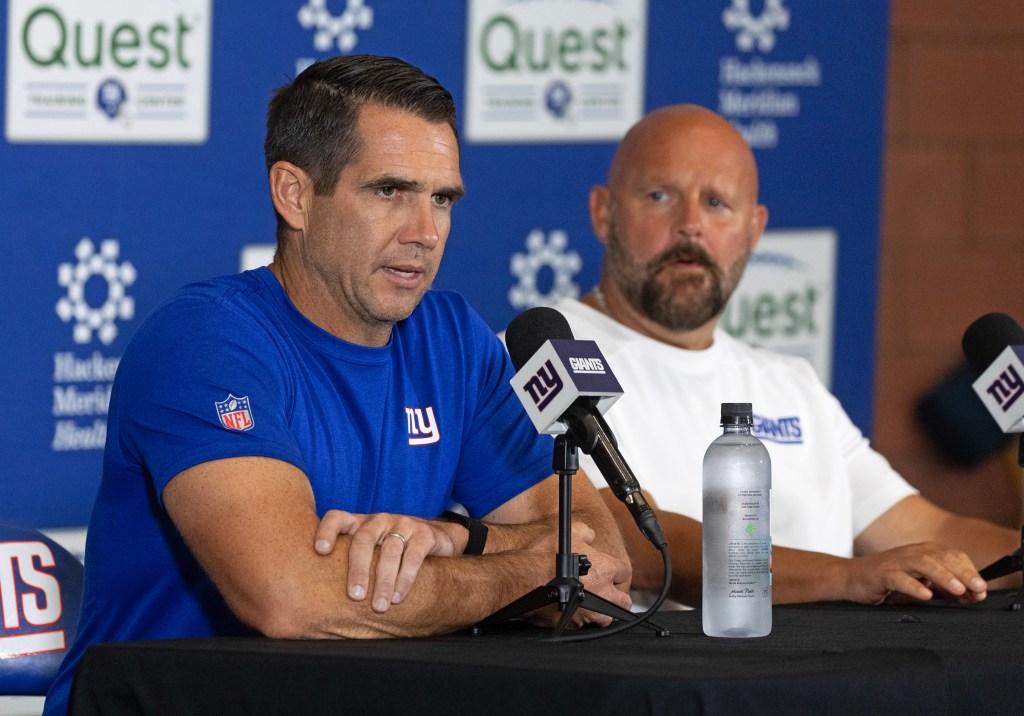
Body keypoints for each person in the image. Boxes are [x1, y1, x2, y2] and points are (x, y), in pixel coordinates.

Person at [44, 55, 630, 715]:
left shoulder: (453, 341)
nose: (425, 232)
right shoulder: (204, 343)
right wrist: (533, 571)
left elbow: (603, 562)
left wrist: (457, 538)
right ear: (294, 194)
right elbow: (295, 600)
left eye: (442, 199)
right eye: (389, 192)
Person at [553, 103, 1020, 610]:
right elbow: (618, 537)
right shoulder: (549, 354)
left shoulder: (790, 382)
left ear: (754, 230)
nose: (690, 225)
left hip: (827, 680)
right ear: (604, 213)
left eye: (716, 203)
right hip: (677, 682)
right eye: (660, 195)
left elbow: (929, 530)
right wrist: (849, 577)